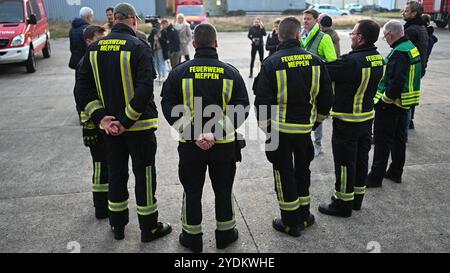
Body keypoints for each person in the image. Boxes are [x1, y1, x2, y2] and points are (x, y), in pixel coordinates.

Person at [76, 2, 172, 242]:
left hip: (110, 130)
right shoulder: (138, 46)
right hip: (139, 128)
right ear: (131, 20)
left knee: (117, 175)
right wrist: (126, 120)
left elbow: (82, 90)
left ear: (114, 20)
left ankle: (117, 226)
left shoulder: (94, 48)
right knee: (145, 176)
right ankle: (149, 228)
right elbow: (145, 89)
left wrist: (103, 120)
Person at [161, 23, 250, 253]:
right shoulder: (231, 72)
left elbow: (168, 105)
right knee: (224, 189)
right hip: (223, 146)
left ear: (193, 43)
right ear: (216, 43)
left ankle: (192, 239)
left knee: (191, 191)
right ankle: (225, 235)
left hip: (190, 147)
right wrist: (215, 133)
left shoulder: (178, 72)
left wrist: (192, 133)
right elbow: (241, 108)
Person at [254, 17, 333, 237]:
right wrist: (315, 121)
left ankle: (290, 223)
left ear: (279, 36)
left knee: (283, 173)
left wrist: (267, 129)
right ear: (300, 35)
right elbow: (327, 98)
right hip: (304, 131)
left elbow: (261, 102)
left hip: (279, 131)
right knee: (302, 171)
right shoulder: (316, 61)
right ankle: (304, 215)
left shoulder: (271, 63)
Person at [318, 20, 385, 217]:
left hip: (347, 121)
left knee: (345, 163)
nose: (351, 36)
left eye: (353, 33)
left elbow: (324, 71)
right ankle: (356, 200)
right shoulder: (377, 58)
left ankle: (342, 204)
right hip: (366, 120)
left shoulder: (352, 62)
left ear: (360, 38)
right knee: (361, 160)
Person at [367, 20, 422, 188]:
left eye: (385, 37)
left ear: (390, 34)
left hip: (392, 104)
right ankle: (395, 172)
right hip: (405, 103)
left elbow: (395, 82)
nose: (386, 39)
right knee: (399, 139)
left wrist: (384, 101)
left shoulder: (399, 52)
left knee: (383, 141)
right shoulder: (410, 47)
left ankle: (375, 178)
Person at [73, 25, 109, 220]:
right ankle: (101, 207)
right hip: (94, 126)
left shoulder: (94, 60)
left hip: (101, 124)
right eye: (98, 39)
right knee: (99, 167)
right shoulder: (84, 63)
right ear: (88, 41)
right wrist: (89, 125)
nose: (102, 43)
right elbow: (80, 96)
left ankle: (106, 203)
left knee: (106, 166)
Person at [301, 8, 337, 157]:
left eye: (308, 19)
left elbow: (332, 62)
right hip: (303, 83)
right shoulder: (302, 36)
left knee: (317, 114)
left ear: (316, 21)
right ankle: (306, 141)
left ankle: (317, 144)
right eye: (304, 19)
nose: (305, 21)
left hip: (317, 83)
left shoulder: (324, 38)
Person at [402, 1, 428, 133]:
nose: (403, 12)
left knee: (405, 101)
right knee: (411, 96)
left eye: (406, 10)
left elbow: (404, 52)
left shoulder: (411, 30)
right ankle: (410, 122)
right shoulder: (421, 27)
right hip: (419, 68)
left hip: (411, 69)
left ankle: (403, 131)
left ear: (414, 13)